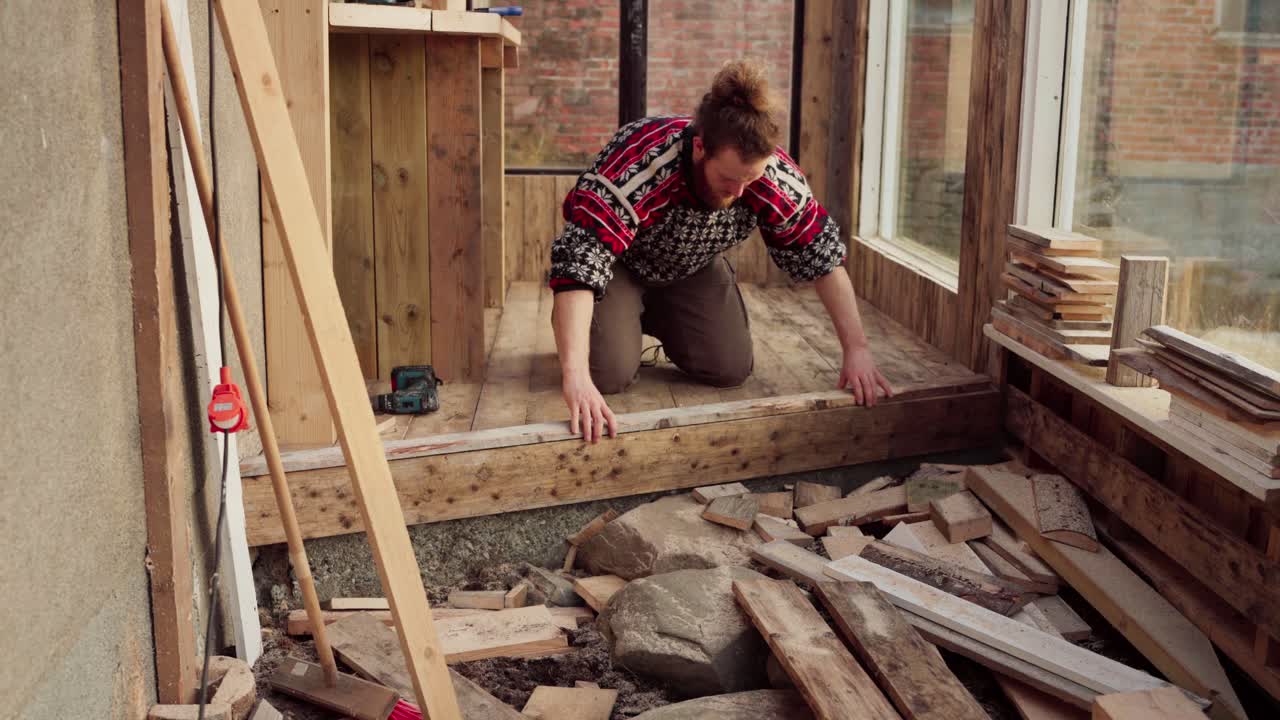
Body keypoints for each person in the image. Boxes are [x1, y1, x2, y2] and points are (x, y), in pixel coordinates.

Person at [549, 60, 893, 443]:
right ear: (700, 148)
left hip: (693, 268)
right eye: (728, 178)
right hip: (619, 268)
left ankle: (653, 318)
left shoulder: (771, 176)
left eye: (752, 179)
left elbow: (822, 255)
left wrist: (856, 349)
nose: (740, 192)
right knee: (607, 374)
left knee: (730, 368)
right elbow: (580, 263)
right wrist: (574, 377)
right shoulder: (639, 160)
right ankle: (609, 324)